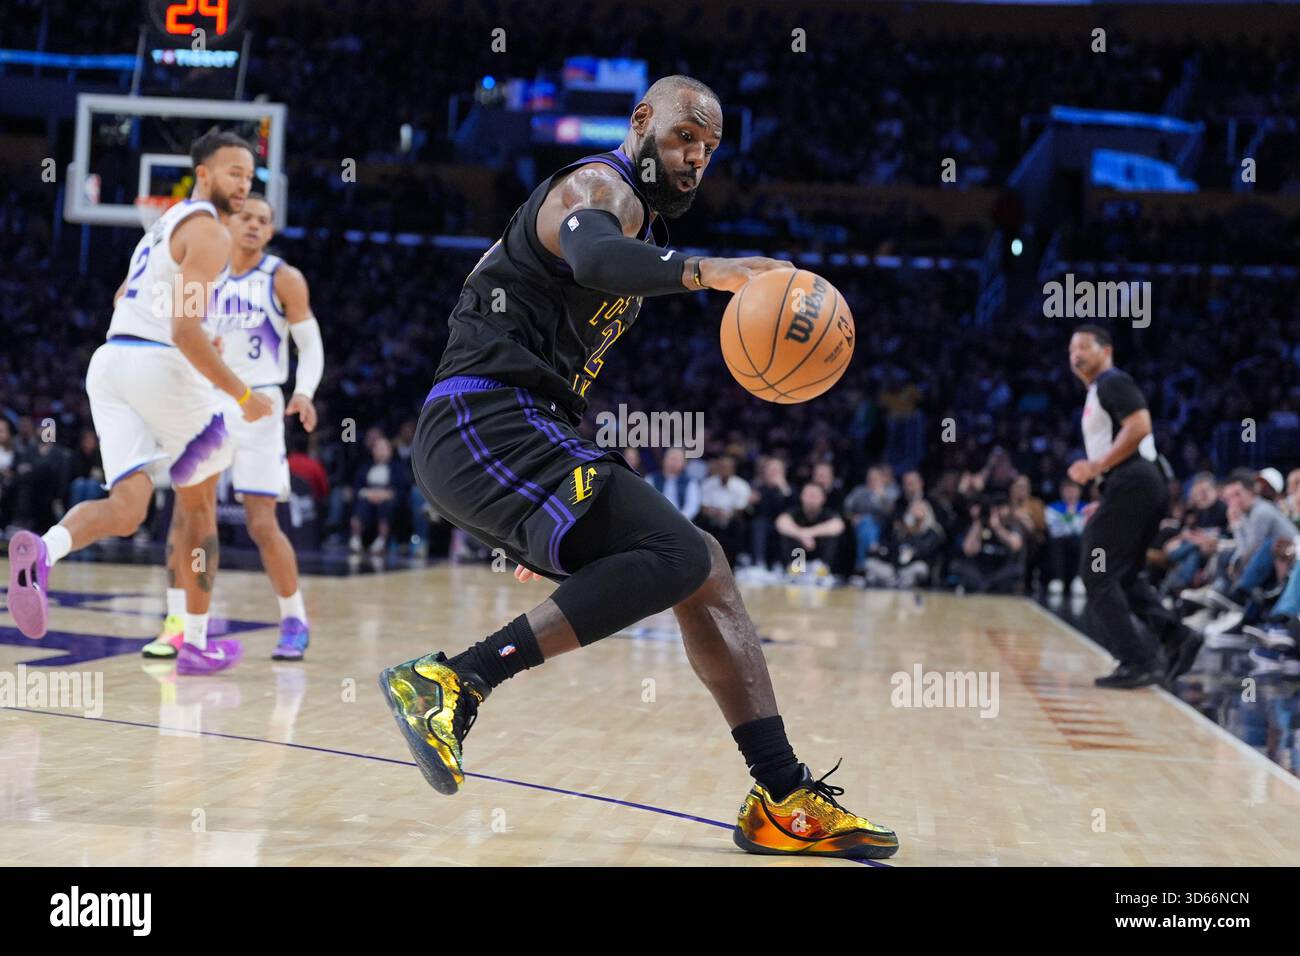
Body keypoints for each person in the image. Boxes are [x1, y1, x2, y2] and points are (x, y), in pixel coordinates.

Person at [377, 75, 898, 859]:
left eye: (710, 149)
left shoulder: (635, 218)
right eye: (687, 136)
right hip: (478, 422)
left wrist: (549, 512)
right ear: (642, 121)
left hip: (522, 435)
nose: (696, 158)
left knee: (706, 570)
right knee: (680, 552)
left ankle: (782, 797)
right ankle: (456, 680)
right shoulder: (597, 187)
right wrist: (707, 270)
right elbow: (596, 259)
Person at [5, 131, 273, 676]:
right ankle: (195, 640)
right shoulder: (211, 234)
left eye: (249, 175)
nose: (244, 184)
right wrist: (243, 395)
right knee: (199, 509)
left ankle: (45, 550)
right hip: (158, 366)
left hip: (111, 363)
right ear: (203, 173)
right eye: (233, 172)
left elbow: (126, 299)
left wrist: (194, 335)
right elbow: (183, 331)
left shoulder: (164, 225)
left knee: (129, 508)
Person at [143, 194, 323, 662]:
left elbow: (310, 344)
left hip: (260, 403)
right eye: (247, 216)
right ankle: (177, 623)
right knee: (187, 515)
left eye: (264, 221)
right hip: (206, 400)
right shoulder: (206, 269)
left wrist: (303, 392)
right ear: (229, 219)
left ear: (271, 230)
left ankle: (294, 620)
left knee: (262, 522)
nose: (254, 225)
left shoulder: (283, 277)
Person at [1066, 324, 1197, 688]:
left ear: (1105, 350)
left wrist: (1097, 467)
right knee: (1123, 574)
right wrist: (1107, 494)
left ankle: (1137, 660)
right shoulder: (1098, 390)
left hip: (1135, 482)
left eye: (1083, 348)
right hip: (1135, 486)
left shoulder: (1112, 382)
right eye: (1070, 351)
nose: (1074, 355)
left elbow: (1139, 426)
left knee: (1097, 571)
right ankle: (1177, 637)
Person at [775, 482, 845, 581]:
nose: (811, 499)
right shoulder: (795, 511)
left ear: (823, 498)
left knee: (831, 536)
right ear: (801, 497)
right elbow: (781, 523)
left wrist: (808, 533)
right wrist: (801, 535)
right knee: (788, 533)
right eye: (808, 495)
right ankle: (795, 570)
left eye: (814, 495)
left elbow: (838, 526)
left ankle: (823, 570)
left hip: (819, 554)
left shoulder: (828, 513)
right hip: (799, 556)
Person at [695, 455, 751, 568]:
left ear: (733, 469)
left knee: (738, 524)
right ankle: (703, 562)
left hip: (731, 519)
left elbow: (740, 509)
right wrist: (715, 512)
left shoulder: (742, 485)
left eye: (727, 467)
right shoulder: (708, 484)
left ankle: (735, 563)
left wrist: (727, 514)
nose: (724, 470)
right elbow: (704, 508)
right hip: (712, 518)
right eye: (721, 467)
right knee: (701, 522)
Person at [1044, 478, 1086, 596]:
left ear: (1079, 491)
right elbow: (1054, 530)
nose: (1070, 493)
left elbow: (1084, 529)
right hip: (1059, 542)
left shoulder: (1086, 508)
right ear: (1061, 491)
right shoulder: (1052, 508)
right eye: (1067, 490)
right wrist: (1070, 517)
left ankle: (1079, 579)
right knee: (1055, 543)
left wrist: (1070, 520)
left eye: (1073, 489)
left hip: (1080, 542)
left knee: (1089, 544)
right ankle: (1057, 579)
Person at [645, 446, 700, 520]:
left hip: (682, 522)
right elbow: (647, 502)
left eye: (677, 460)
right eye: (671, 459)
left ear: (684, 463)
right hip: (655, 519)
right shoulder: (651, 478)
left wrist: (679, 520)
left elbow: (692, 507)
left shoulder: (691, 482)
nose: (673, 463)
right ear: (664, 460)